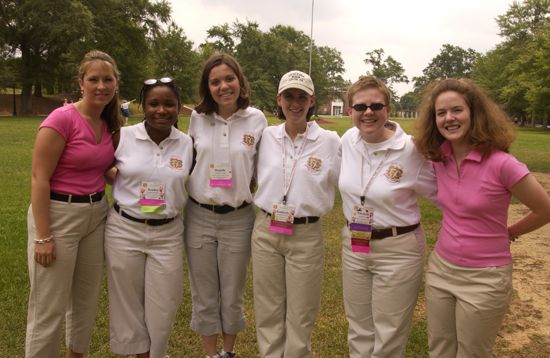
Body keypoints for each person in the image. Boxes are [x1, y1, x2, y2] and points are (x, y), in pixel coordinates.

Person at [414, 78, 550, 358]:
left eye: (457, 110)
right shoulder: (439, 158)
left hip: (486, 278)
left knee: (473, 353)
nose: (449, 118)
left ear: (474, 113)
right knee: (439, 350)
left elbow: (545, 208)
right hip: (441, 269)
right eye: (441, 113)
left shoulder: (503, 164)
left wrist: (511, 231)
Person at [25, 50, 123, 358]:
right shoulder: (62, 119)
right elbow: (39, 178)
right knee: (49, 307)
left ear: (116, 83)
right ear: (81, 83)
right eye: (93, 79)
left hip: (96, 216)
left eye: (107, 79)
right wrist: (43, 236)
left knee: (85, 300)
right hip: (58, 215)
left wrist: (136, 177)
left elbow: (102, 169)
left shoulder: (109, 122)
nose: (101, 86)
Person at [339, 76, 437, 358]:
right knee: (358, 327)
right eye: (360, 106)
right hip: (355, 245)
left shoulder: (411, 149)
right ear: (350, 111)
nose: (367, 112)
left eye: (375, 105)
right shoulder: (348, 141)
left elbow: (444, 193)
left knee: (389, 333)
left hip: (398, 249)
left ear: (388, 109)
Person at [252, 70, 341, 358]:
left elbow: (350, 179)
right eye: (289, 96)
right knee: (268, 309)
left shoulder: (329, 141)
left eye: (301, 97)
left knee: (301, 313)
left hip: (306, 234)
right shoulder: (265, 136)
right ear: (279, 99)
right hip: (266, 230)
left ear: (312, 100)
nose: (295, 103)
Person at [184, 52, 267, 358]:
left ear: (240, 81)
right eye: (215, 81)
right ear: (208, 87)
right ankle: (209, 353)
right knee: (204, 292)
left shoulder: (256, 119)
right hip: (199, 215)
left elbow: (264, 167)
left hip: (238, 217)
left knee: (232, 292)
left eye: (229, 79)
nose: (223, 86)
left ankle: (228, 352)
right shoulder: (197, 118)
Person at [104, 77, 193, 358]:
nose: (161, 110)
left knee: (165, 301)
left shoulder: (187, 143)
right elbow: (102, 167)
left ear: (179, 108)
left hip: (167, 232)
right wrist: (120, 181)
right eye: (154, 104)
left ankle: (157, 352)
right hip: (124, 229)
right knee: (127, 301)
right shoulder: (123, 136)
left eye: (169, 104)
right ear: (143, 106)